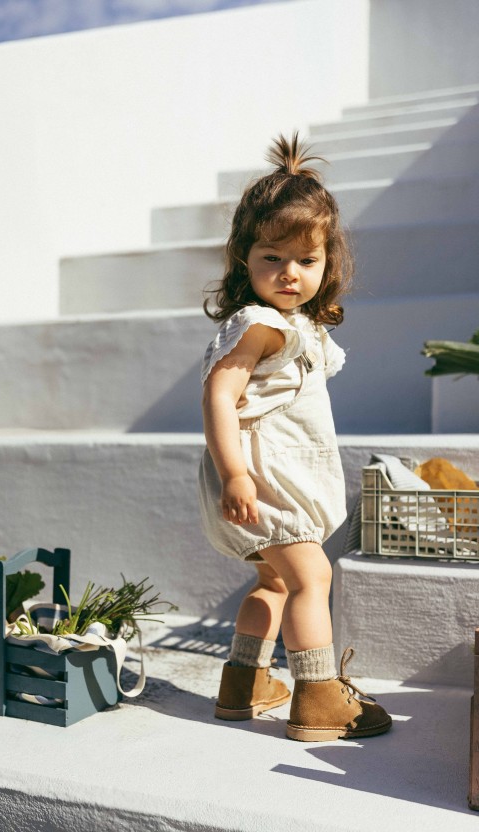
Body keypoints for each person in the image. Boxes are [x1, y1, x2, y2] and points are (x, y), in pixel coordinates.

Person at [198, 133, 391, 742]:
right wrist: (234, 474)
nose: (289, 274)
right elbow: (218, 397)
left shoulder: (293, 325)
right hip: (259, 478)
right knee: (313, 578)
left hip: (270, 476)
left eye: (306, 262)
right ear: (243, 259)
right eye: (271, 258)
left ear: (327, 262)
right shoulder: (256, 324)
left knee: (275, 581)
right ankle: (319, 698)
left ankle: (245, 682)